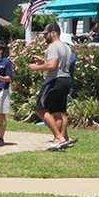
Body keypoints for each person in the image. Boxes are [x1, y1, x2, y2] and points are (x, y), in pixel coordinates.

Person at [28, 22, 74, 151]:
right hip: (65, 79)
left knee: (40, 108)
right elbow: (57, 63)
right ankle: (61, 139)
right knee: (58, 112)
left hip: (54, 80)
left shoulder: (53, 46)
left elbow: (52, 66)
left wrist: (35, 67)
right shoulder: (66, 47)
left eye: (46, 34)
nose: (44, 36)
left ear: (53, 33)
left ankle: (59, 137)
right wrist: (43, 61)